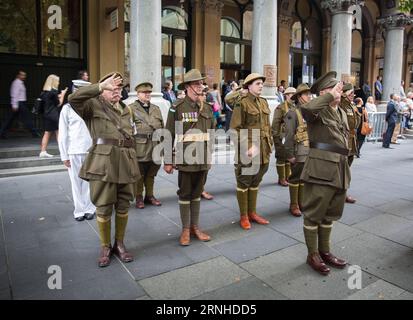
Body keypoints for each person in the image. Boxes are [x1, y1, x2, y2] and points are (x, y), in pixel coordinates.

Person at [68, 72, 140, 268]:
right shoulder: (92, 106)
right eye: (112, 88)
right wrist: (100, 86)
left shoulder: (127, 110)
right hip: (103, 164)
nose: (117, 91)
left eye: (119, 88)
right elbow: (73, 99)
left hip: (126, 161)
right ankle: (105, 246)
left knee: (124, 204)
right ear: (102, 91)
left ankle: (119, 243)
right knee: (104, 206)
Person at [300, 71, 348, 276]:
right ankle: (313, 254)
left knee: (331, 213)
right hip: (320, 169)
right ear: (324, 92)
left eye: (339, 89)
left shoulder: (341, 111)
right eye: (334, 89)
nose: (339, 92)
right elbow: (307, 108)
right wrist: (328, 97)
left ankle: (324, 251)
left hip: (340, 168)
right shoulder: (318, 110)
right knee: (313, 214)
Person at [164, 69, 215, 246]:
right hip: (185, 158)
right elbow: (168, 133)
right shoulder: (177, 107)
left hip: (203, 159)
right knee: (185, 193)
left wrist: (210, 156)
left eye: (201, 83)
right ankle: (185, 229)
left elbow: (212, 133)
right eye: (196, 84)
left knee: (197, 193)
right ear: (187, 87)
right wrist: (168, 160)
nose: (200, 86)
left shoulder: (207, 107)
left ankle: (195, 227)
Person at [230, 73, 273, 230]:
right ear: (248, 86)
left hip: (263, 150)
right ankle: (244, 216)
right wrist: (247, 147)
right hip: (248, 151)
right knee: (244, 182)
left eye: (261, 83)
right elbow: (234, 129)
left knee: (256, 181)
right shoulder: (242, 104)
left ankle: (252, 212)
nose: (261, 85)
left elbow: (267, 126)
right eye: (257, 83)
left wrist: (270, 144)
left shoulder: (263, 102)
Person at [58, 79, 96, 222]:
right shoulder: (67, 109)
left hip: (90, 150)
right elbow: (63, 134)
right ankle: (79, 210)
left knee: (89, 182)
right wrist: (64, 155)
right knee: (75, 182)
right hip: (73, 150)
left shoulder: (92, 107)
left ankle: (89, 208)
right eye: (78, 90)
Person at [129, 82, 164, 209]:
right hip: (139, 146)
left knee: (151, 173)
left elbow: (162, 127)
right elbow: (127, 130)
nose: (147, 95)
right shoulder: (131, 109)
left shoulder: (156, 108)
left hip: (155, 146)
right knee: (139, 174)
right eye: (144, 93)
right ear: (138, 94)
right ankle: (139, 197)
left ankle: (149, 196)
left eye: (149, 92)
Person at [285, 84, 312, 217]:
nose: (310, 96)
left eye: (310, 94)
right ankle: (294, 204)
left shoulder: (310, 111)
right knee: (295, 178)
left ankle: (302, 202)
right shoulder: (292, 113)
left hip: (310, 151)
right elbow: (289, 135)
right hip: (298, 152)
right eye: (307, 94)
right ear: (300, 97)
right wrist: (289, 154)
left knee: (305, 178)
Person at [0, 71, 40, 139]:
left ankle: (2, 133)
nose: (24, 77)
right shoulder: (17, 83)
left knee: (10, 119)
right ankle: (34, 132)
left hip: (20, 103)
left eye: (24, 75)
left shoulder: (20, 83)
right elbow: (14, 94)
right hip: (19, 103)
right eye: (22, 75)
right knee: (27, 118)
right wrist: (15, 105)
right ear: (18, 75)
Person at [339, 83, 361, 204]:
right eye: (350, 93)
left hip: (352, 139)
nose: (353, 95)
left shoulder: (351, 105)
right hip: (345, 140)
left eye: (353, 93)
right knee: (343, 168)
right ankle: (342, 193)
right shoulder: (341, 105)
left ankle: (343, 191)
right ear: (344, 94)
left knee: (348, 167)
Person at [272, 87, 296, 187]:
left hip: (291, 137)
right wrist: (277, 138)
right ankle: (281, 178)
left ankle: (287, 177)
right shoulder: (281, 107)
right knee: (281, 157)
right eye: (292, 94)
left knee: (288, 157)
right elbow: (275, 124)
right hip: (281, 136)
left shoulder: (295, 107)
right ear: (286, 95)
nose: (294, 96)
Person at [40, 75, 67, 158]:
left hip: (47, 115)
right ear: (54, 81)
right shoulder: (54, 92)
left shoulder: (44, 92)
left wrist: (58, 96)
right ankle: (63, 152)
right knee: (59, 133)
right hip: (54, 115)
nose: (58, 83)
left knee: (47, 133)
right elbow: (59, 103)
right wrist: (63, 94)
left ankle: (43, 151)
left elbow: (50, 101)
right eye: (57, 81)